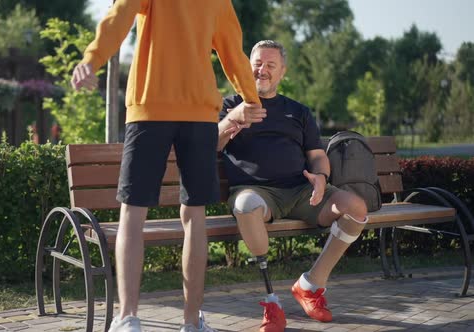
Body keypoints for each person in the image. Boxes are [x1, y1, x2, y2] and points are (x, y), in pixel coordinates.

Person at [71, 1, 264, 331]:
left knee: (133, 211)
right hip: (199, 113)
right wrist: (251, 97)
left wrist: (92, 60)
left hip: (152, 109)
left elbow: (118, 19)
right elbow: (232, 50)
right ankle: (191, 322)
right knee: (194, 215)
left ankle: (129, 318)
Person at [218, 40, 368, 332]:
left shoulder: (298, 111)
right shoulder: (230, 104)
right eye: (257, 64)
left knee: (356, 208)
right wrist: (231, 120)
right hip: (256, 192)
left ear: (282, 72)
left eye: (270, 65)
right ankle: (272, 302)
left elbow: (317, 155)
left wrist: (321, 178)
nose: (262, 70)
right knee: (245, 206)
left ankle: (310, 285)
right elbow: (210, 144)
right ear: (247, 68)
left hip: (300, 190)